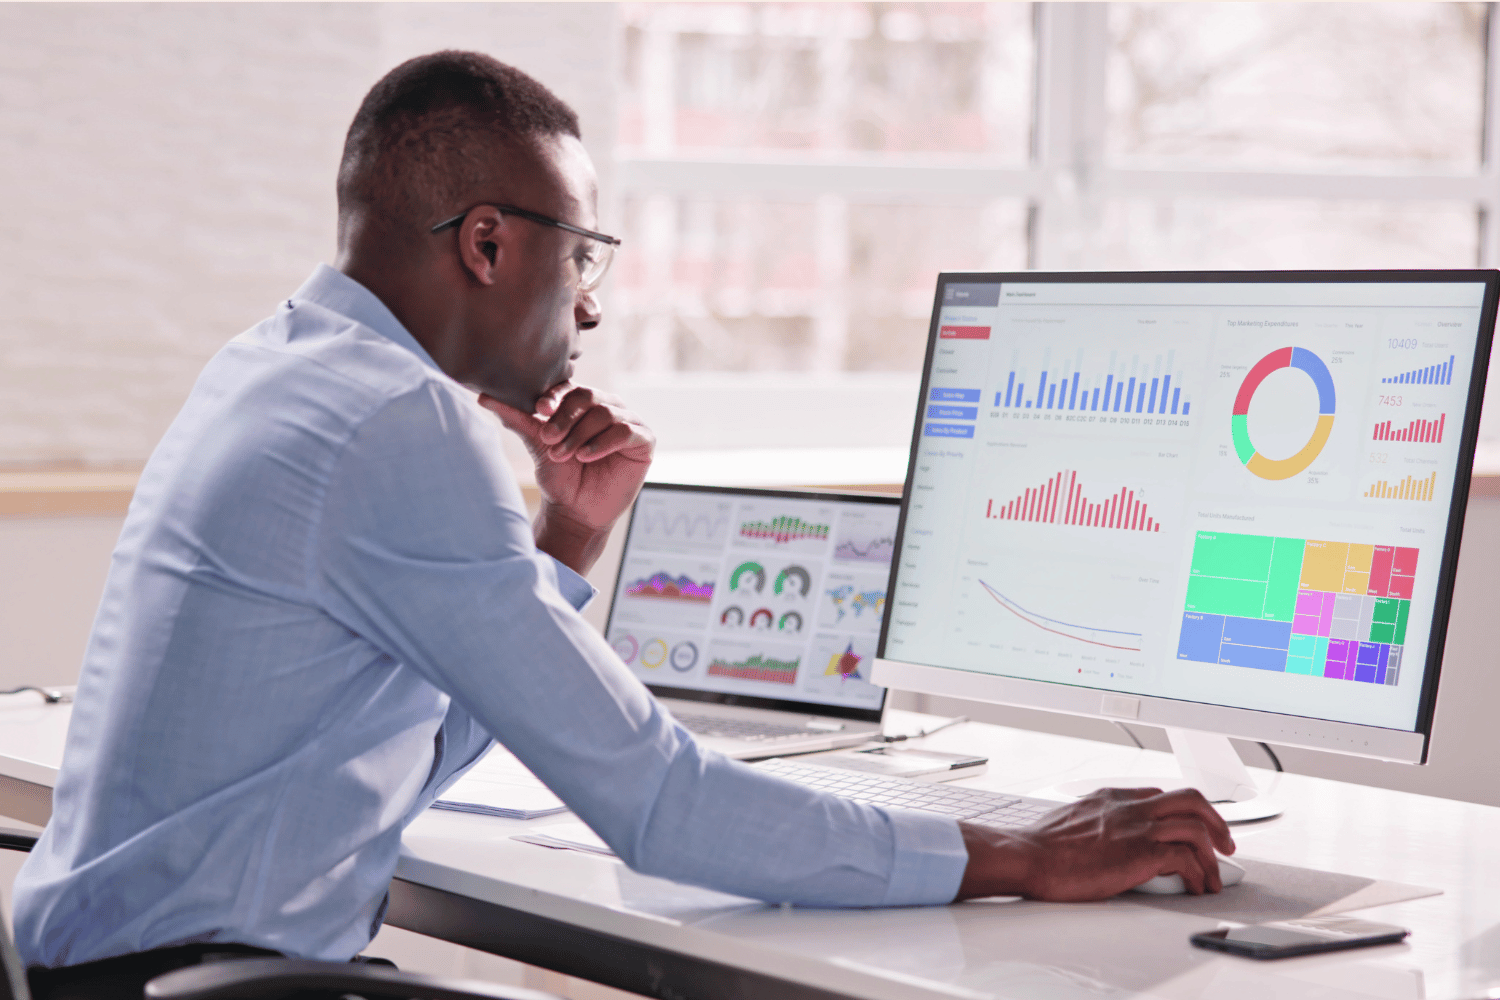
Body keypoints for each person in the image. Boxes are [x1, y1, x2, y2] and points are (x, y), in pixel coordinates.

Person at [12, 51, 1234, 998]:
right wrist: (1024, 854)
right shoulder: (398, 424)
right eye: (582, 254)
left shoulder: (274, 365)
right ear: (487, 241)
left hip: (124, 971)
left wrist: (565, 542)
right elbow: (663, 810)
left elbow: (388, 751)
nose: (589, 312)